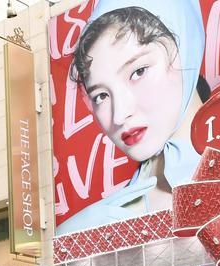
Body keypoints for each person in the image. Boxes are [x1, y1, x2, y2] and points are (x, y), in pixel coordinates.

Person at [58, 0, 206, 234]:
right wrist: (73, 244)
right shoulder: (101, 223)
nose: (119, 115)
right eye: (101, 96)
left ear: (187, 48)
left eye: (138, 72)